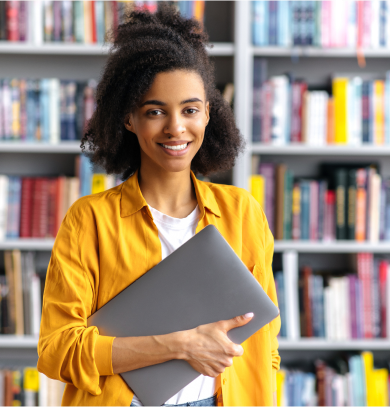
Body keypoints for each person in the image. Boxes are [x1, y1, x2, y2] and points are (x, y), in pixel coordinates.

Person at [37, 4, 280, 407]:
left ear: (208, 114)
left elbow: (264, 345)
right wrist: (180, 345)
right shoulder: (90, 219)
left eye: (190, 110)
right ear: (129, 118)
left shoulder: (243, 212)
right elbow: (58, 349)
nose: (175, 128)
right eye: (155, 112)